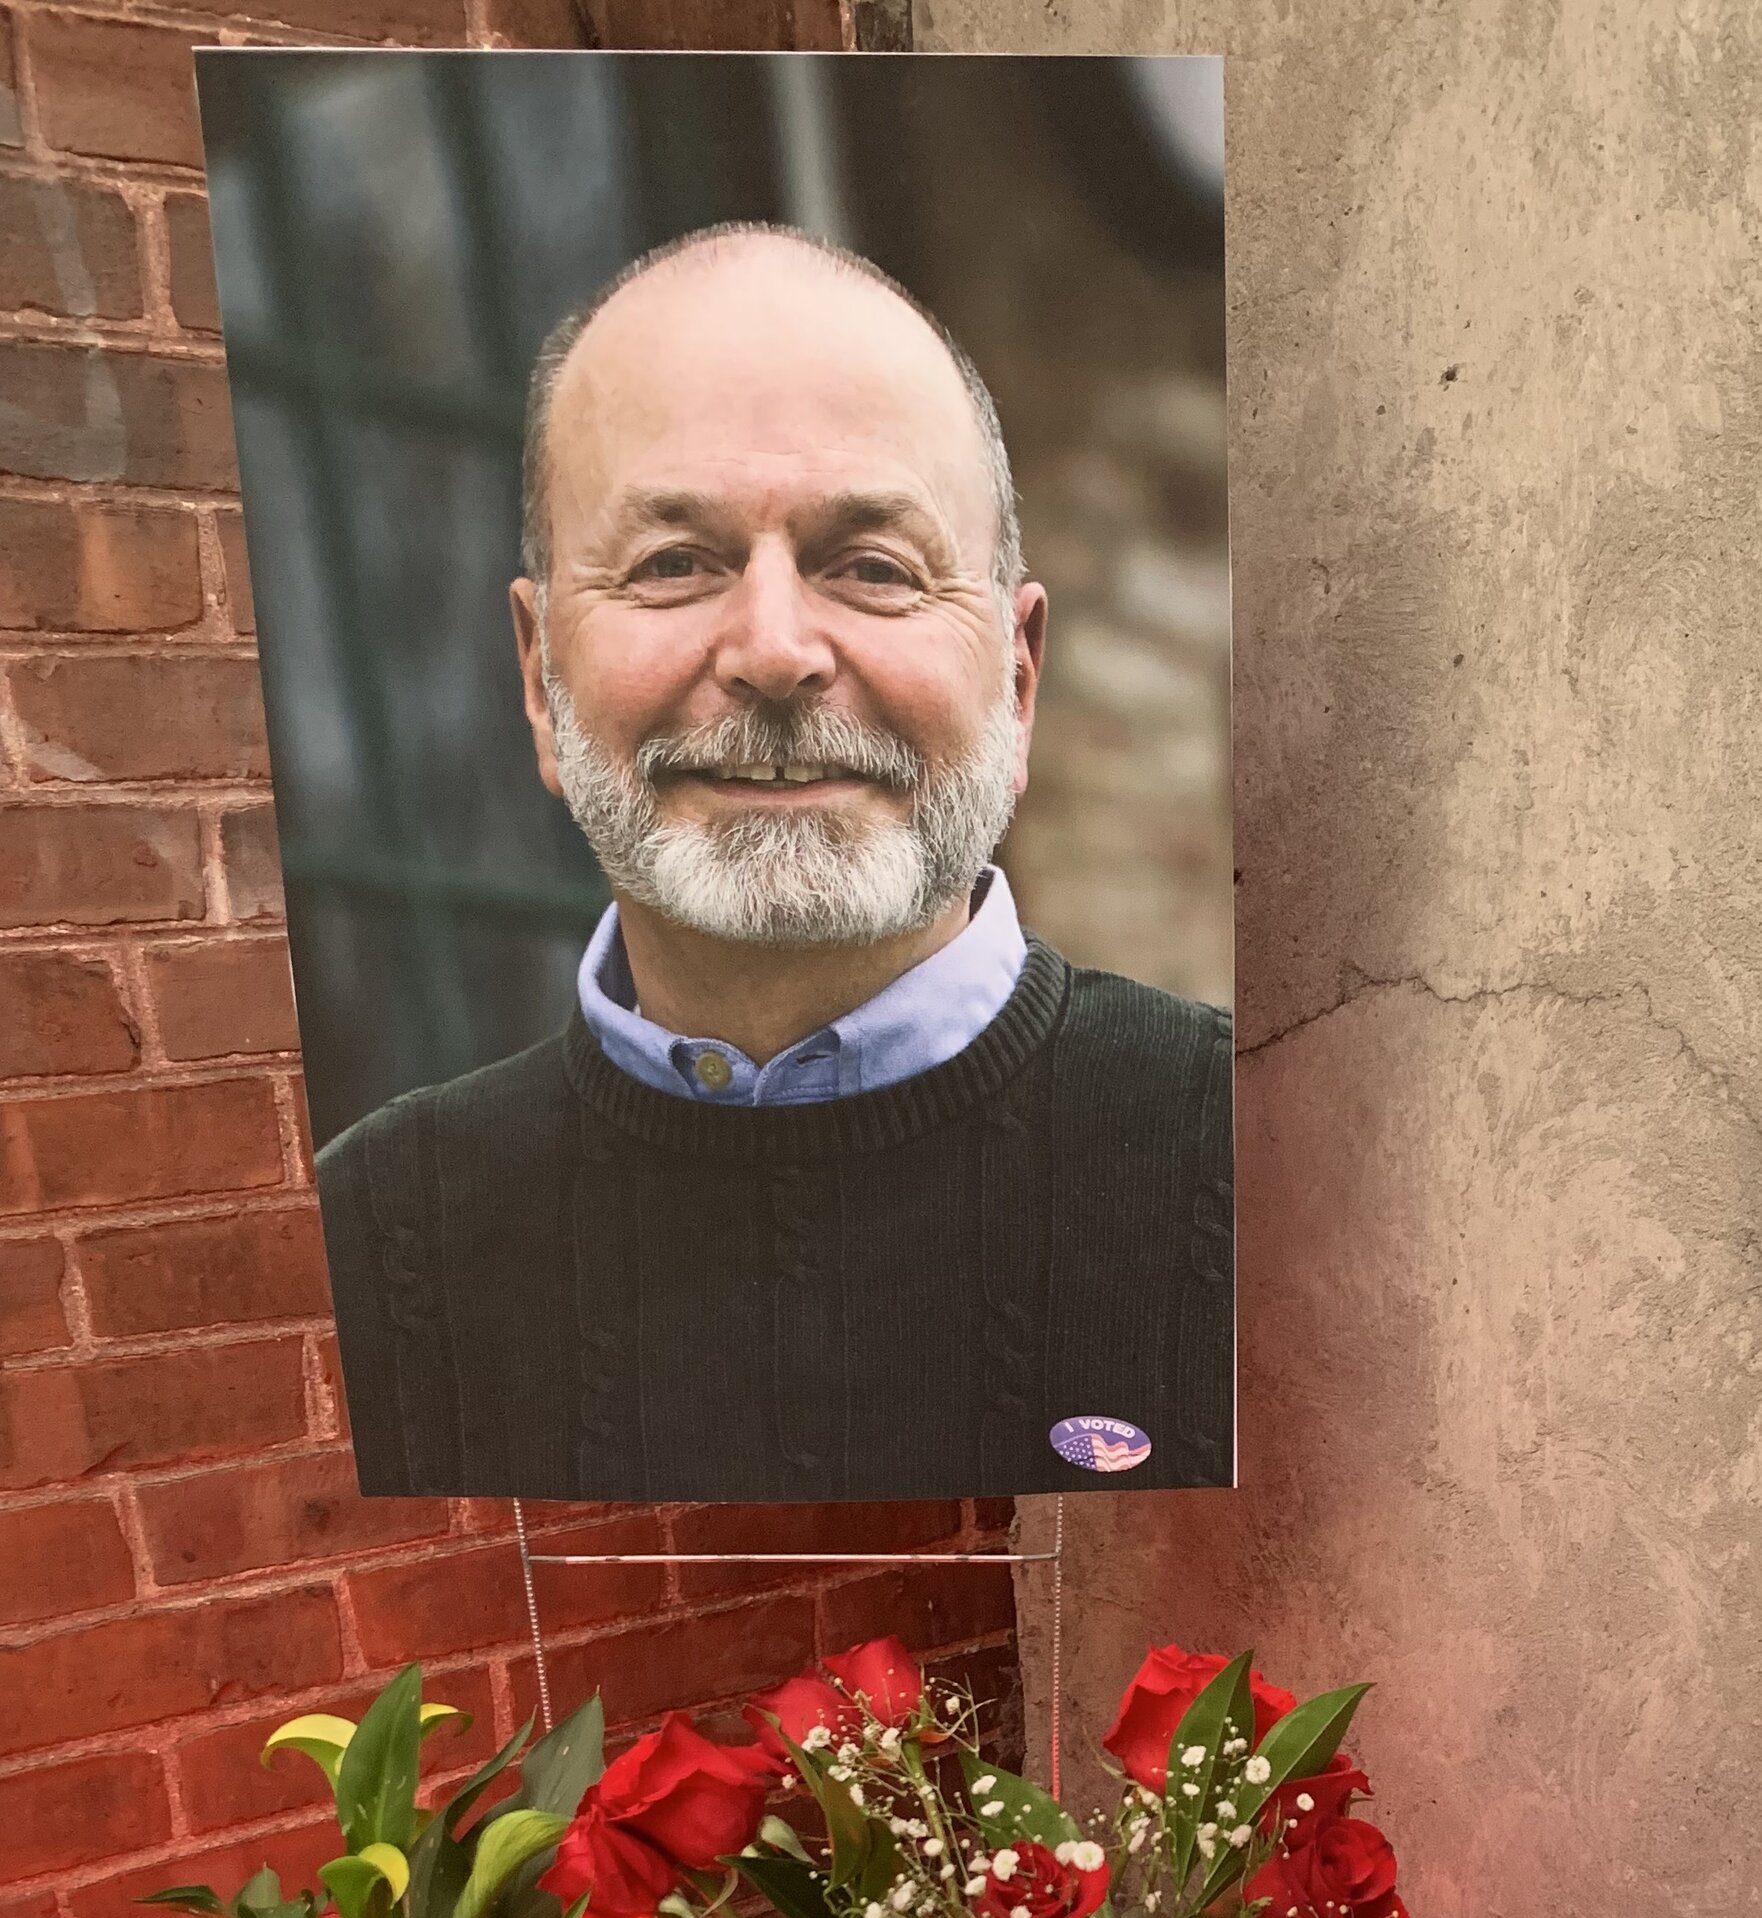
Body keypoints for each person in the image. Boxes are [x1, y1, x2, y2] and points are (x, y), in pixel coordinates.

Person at [314, 224, 1232, 1502]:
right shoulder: (355, 1252)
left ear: (1018, 685)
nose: (774, 648)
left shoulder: (1263, 1167)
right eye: (673, 564)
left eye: (871, 566)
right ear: (537, 679)